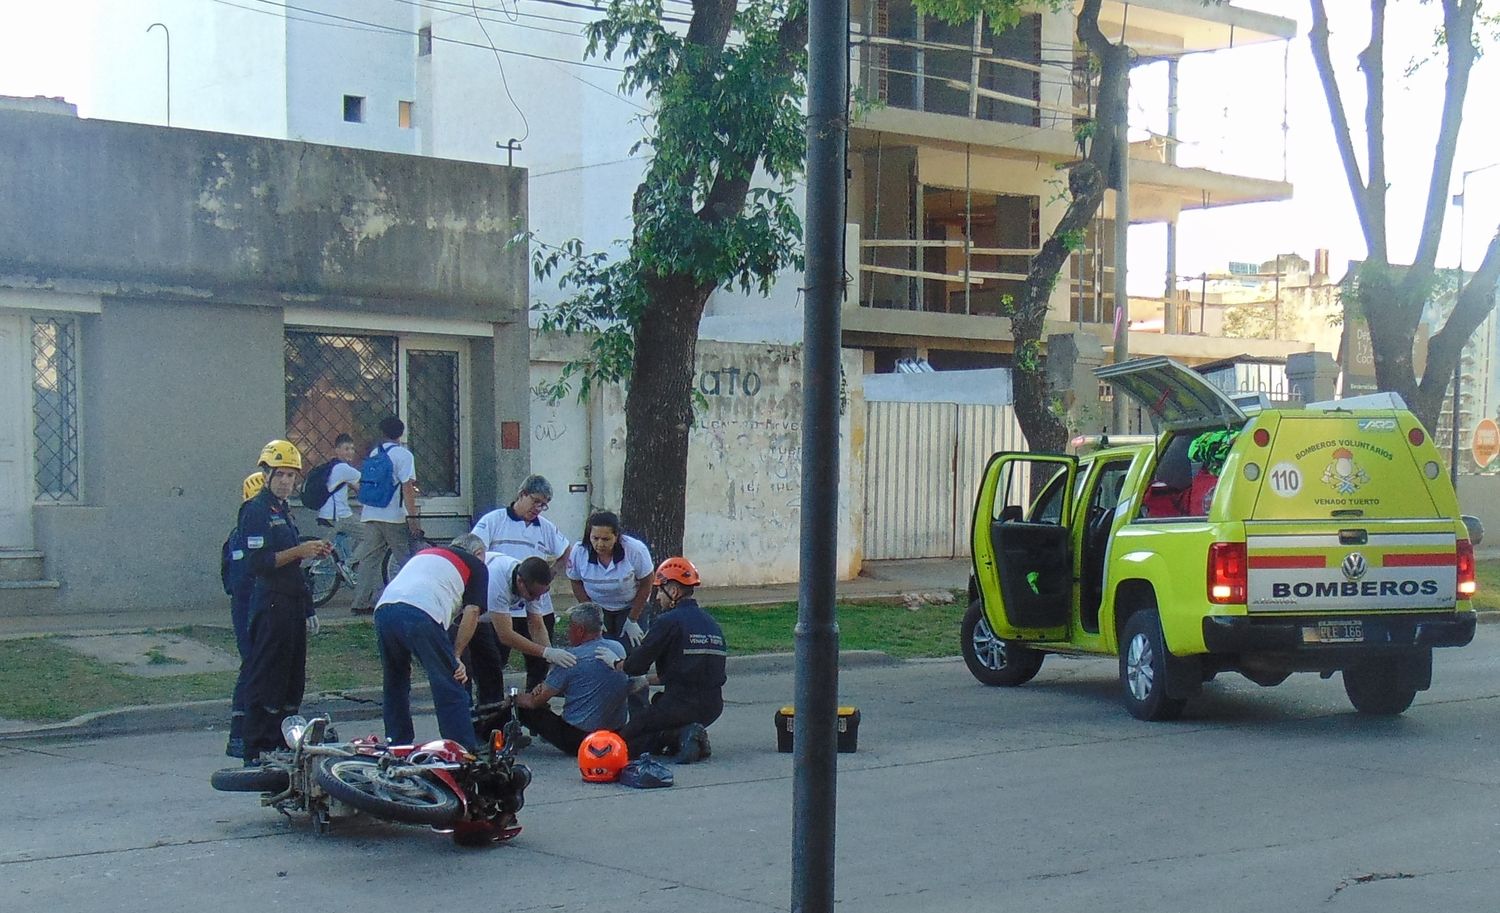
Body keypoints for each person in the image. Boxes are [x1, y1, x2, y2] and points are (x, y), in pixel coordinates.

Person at [233, 439, 332, 763]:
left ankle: (283, 740)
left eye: (291, 476)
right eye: (281, 476)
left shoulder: (282, 510)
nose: (287, 482)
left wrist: (311, 555)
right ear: (267, 474)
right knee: (267, 677)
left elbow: (291, 564)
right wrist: (300, 551)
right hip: (271, 603)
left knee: (292, 677)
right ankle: (257, 746)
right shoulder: (256, 510)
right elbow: (260, 562)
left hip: (291, 601)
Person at [373, 533, 490, 750]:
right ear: (479, 553)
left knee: (395, 681)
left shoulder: (425, 554)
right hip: (421, 613)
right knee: (449, 681)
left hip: (384, 610)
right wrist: (456, 656)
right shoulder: (477, 566)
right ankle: (461, 750)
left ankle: (397, 744)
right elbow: (472, 612)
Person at [609, 557, 726, 764]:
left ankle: (682, 734)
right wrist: (648, 681)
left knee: (625, 742)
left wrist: (617, 663)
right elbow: (689, 670)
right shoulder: (711, 623)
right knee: (658, 710)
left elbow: (637, 665)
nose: (656, 598)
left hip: (680, 704)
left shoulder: (668, 621)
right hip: (713, 706)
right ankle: (687, 735)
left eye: (659, 591)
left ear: (673, 591)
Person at [471, 475, 571, 686]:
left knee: (538, 665)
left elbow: (565, 551)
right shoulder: (494, 520)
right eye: (536, 501)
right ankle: (491, 707)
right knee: (494, 661)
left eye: (544, 505)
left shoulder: (545, 527)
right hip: (500, 599)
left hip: (532, 596)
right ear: (522, 494)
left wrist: (549, 575)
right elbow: (474, 551)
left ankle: (535, 707)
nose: (539, 508)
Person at [513, 603, 631, 756]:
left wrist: (513, 698)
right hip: (615, 733)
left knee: (523, 707)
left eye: (570, 626)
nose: (568, 631)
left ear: (580, 630)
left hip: (579, 738)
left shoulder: (570, 659)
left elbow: (534, 702)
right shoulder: (617, 648)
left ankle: (492, 735)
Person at [349, 416, 419, 615]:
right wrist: (413, 519)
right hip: (394, 516)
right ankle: (412, 598)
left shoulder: (375, 453)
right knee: (406, 558)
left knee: (369, 559)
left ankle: (360, 601)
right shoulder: (404, 456)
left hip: (371, 513)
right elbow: (407, 488)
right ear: (401, 433)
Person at [483, 552, 579, 690]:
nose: (536, 599)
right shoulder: (498, 581)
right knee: (488, 665)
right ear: (520, 582)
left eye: (541, 595)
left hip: (484, 612)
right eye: (533, 595)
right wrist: (545, 652)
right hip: (466, 611)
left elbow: (537, 625)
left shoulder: (535, 588)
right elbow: (505, 635)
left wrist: (550, 657)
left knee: (491, 667)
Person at [565, 511, 654, 648]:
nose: (600, 544)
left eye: (606, 539)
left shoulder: (635, 550)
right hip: (598, 606)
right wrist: (591, 612)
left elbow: (647, 583)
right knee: (599, 650)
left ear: (616, 536)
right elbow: (575, 582)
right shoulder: (579, 551)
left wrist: (633, 618)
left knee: (630, 652)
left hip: (629, 606)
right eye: (595, 538)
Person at [315, 432, 362, 538]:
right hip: (339, 515)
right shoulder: (343, 468)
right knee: (370, 535)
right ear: (337, 450)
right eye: (346, 449)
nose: (350, 452)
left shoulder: (332, 466)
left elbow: (355, 486)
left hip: (326, 513)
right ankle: (359, 556)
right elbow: (365, 482)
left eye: (352, 449)